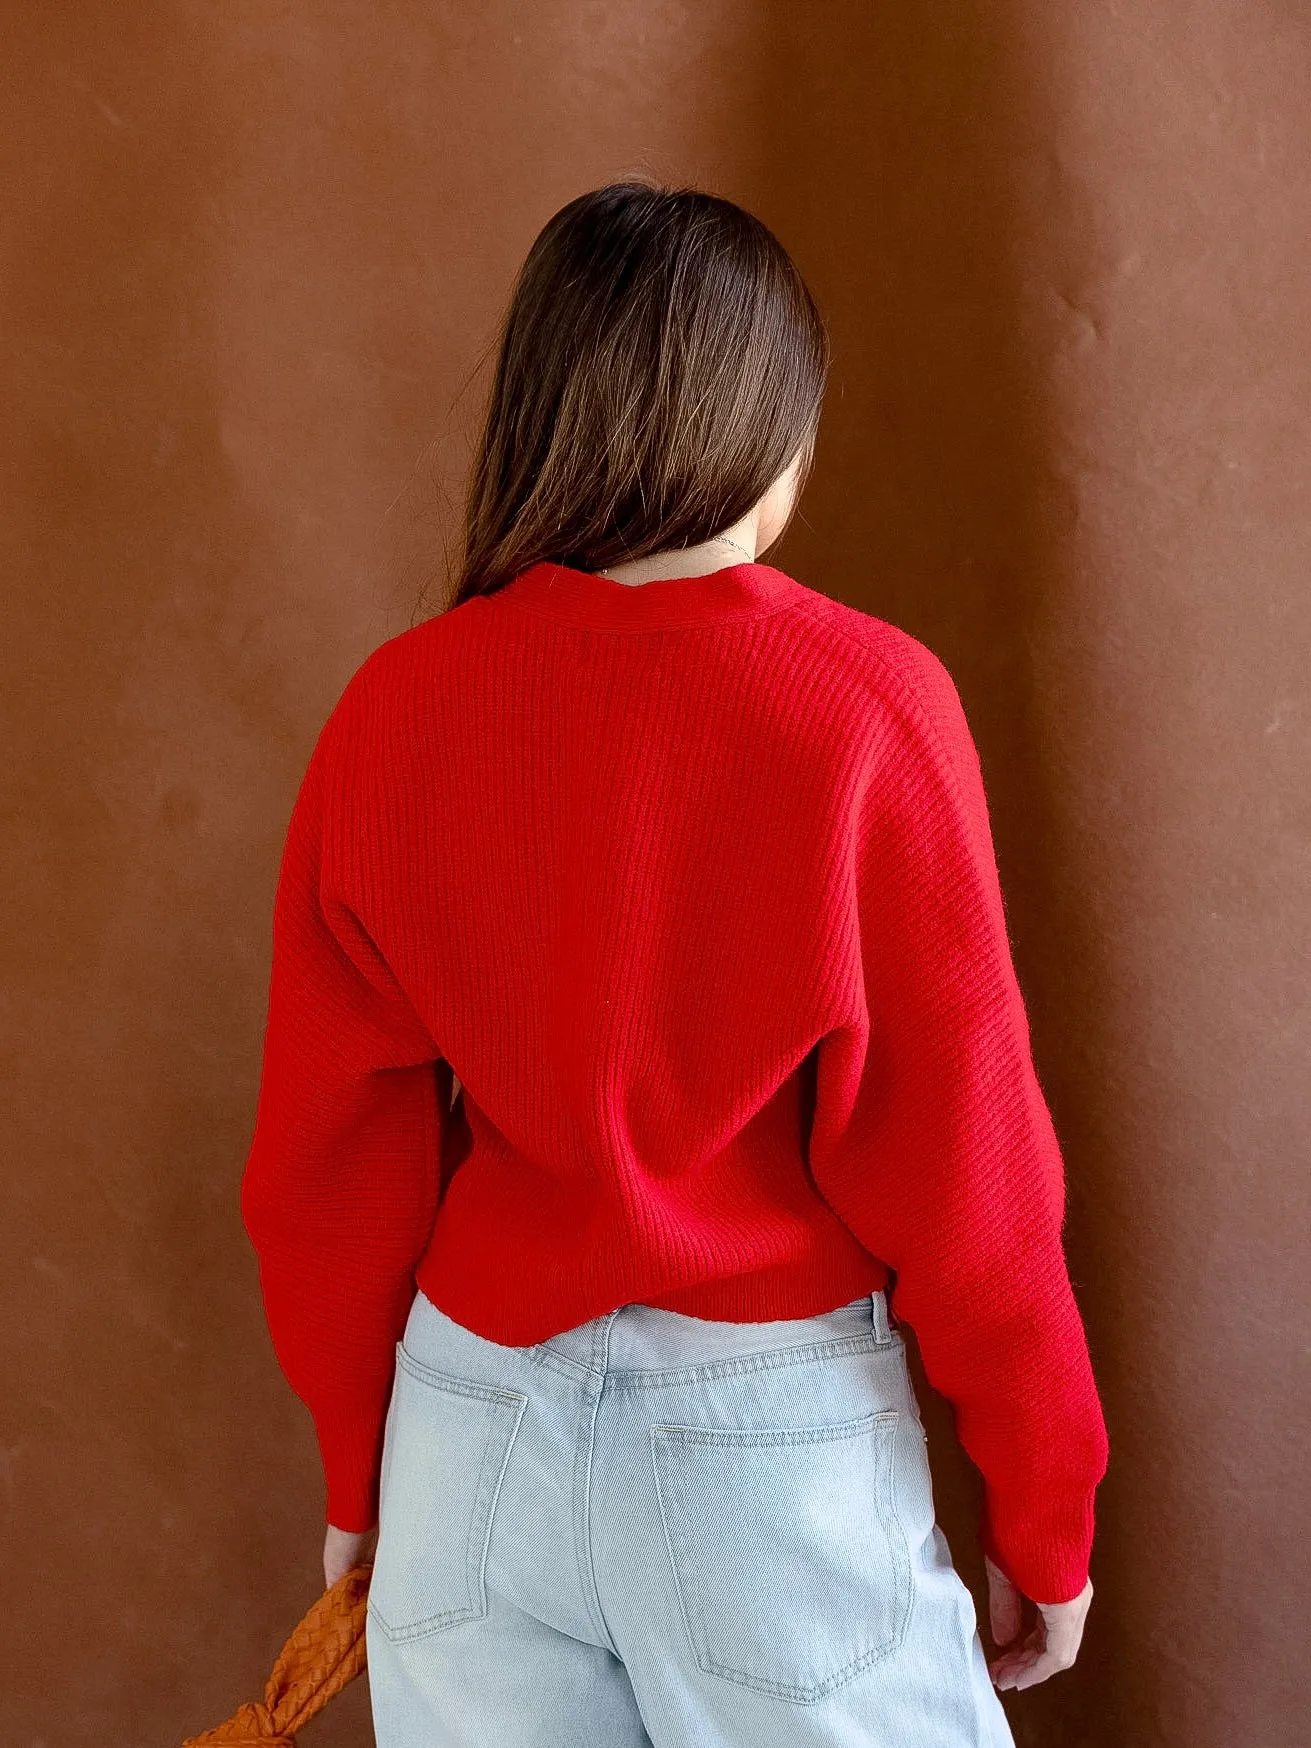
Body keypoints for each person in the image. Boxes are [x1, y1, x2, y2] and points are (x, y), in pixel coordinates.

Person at [240, 180, 1109, 1746]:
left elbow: (326, 1156)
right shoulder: (862, 707)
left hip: (466, 1436)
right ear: (767, 431)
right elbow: (968, 1167)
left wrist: (361, 1474)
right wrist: (1046, 1509)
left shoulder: (395, 709)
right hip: (758, 1455)